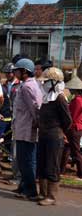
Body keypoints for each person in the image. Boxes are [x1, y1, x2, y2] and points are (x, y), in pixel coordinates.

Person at [37, 67, 72, 206]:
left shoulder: (59, 99)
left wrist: (59, 130)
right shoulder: (46, 98)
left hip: (54, 136)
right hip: (44, 135)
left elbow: (68, 120)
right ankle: (43, 193)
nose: (43, 84)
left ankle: (51, 196)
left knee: (52, 165)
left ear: (54, 83)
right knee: (42, 163)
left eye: (46, 81)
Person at [12, 58, 43, 201]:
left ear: (24, 71)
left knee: (27, 160)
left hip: (27, 128)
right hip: (22, 127)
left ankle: (31, 191)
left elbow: (35, 108)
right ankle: (24, 186)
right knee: (24, 159)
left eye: (17, 70)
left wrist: (36, 124)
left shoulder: (27, 87)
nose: (14, 73)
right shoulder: (28, 85)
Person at [61, 70, 82, 179]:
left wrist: (66, 127)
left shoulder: (77, 100)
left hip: (74, 128)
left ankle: (80, 172)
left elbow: (72, 116)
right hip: (74, 128)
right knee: (67, 149)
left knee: (75, 151)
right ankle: (62, 170)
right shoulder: (77, 99)